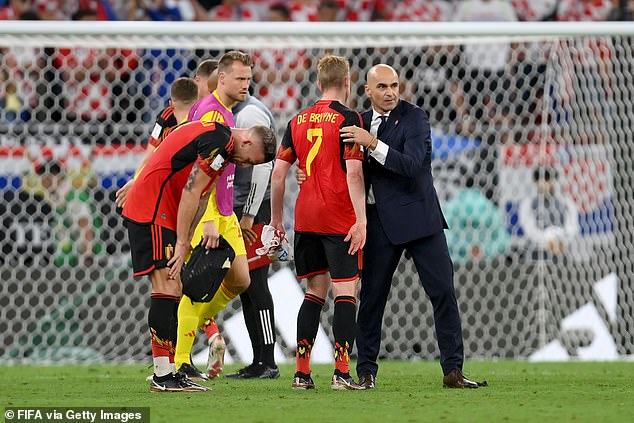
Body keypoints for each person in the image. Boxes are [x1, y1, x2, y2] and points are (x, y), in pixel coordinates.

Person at [339, 64, 485, 389]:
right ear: (368, 91)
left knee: (444, 291)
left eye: (394, 85)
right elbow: (345, 168)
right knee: (373, 298)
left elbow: (413, 164)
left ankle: (453, 371)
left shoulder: (415, 117)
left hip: (420, 218)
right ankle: (366, 373)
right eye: (383, 87)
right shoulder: (358, 122)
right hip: (379, 222)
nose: (391, 92)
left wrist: (372, 143)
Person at [122, 119, 276, 392]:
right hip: (152, 207)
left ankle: (171, 370)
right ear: (248, 142)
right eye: (250, 161)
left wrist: (188, 239)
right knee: (166, 286)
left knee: (175, 287)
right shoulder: (220, 143)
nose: (245, 166)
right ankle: (162, 376)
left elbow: (203, 197)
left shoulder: (224, 147)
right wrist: (182, 242)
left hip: (162, 209)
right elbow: (191, 191)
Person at [270, 55, 366, 391]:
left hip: (306, 218)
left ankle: (301, 373)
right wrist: (362, 220)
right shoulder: (349, 119)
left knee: (313, 293)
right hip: (339, 216)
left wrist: (276, 220)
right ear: (347, 82)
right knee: (345, 292)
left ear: (319, 82)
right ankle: (341, 373)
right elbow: (353, 172)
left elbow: (279, 172)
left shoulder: (297, 120)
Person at [173, 50, 254, 381]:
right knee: (198, 285)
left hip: (224, 210)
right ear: (221, 78)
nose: (246, 84)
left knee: (240, 280)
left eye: (249, 78)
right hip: (207, 210)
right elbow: (199, 171)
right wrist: (206, 219)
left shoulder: (227, 112)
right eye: (240, 78)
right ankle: (179, 360)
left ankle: (186, 328)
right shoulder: (212, 115)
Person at [225, 93, 280, 379]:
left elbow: (263, 166)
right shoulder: (240, 110)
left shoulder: (249, 115)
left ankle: (268, 360)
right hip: (243, 208)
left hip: (253, 211)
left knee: (256, 283)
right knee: (246, 285)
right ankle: (259, 360)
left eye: (245, 79)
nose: (242, 84)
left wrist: (249, 213)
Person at [115, 77, 200, 208]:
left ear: (171, 103)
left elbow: (149, 156)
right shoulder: (170, 118)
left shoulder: (166, 118)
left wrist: (136, 182)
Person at [517, 166, 579, 261]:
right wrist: (547, 239)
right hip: (535, 254)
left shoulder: (565, 202)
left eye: (551, 179)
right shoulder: (528, 204)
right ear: (536, 182)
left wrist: (560, 239)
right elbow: (530, 230)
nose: (549, 183)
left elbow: (572, 227)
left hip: (560, 252)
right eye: (545, 179)